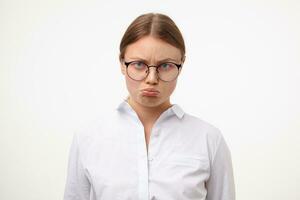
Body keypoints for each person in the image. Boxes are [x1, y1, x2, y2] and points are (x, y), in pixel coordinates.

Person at [63, 13, 235, 200]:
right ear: (122, 63)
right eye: (138, 64)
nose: (151, 79)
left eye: (166, 66)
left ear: (181, 65)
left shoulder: (209, 140)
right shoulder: (88, 138)